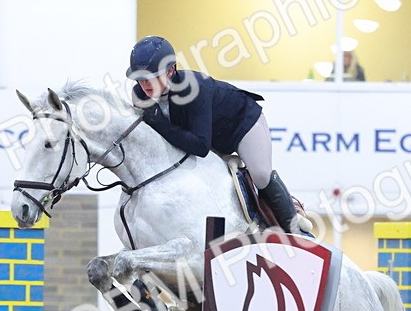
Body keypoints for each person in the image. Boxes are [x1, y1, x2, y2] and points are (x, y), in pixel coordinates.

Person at [125, 36, 305, 235]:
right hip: (208, 137)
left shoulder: (195, 87)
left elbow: (201, 146)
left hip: (241, 125)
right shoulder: (140, 96)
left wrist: (160, 123)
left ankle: (295, 228)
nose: (145, 85)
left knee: (261, 175)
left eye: (151, 77)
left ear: (170, 70)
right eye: (140, 79)